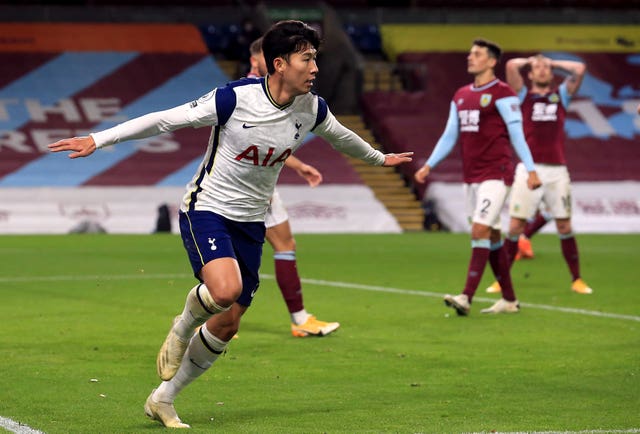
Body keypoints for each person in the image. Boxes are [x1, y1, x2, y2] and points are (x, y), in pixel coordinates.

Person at [49, 20, 412, 429]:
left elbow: (343, 138)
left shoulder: (312, 109)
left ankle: (163, 398)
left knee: (228, 321)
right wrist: (99, 139)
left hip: (251, 221)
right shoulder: (233, 99)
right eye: (307, 59)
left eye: (316, 59)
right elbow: (165, 120)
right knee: (225, 290)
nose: (315, 68)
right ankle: (183, 325)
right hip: (208, 208)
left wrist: (382, 159)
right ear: (279, 63)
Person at [414, 38, 541, 316]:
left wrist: (531, 169)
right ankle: (509, 299)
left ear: (492, 61)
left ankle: (466, 297)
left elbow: (517, 133)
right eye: (470, 53)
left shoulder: (504, 93)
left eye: (477, 54)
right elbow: (450, 135)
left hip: (497, 173)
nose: (470, 57)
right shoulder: (460, 95)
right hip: (470, 177)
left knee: (479, 230)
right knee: (492, 235)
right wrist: (429, 165)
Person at [249, 36, 339, 337]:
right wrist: (299, 166)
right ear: (258, 60)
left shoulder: (283, 95)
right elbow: (261, 144)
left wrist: (298, 166)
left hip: (264, 183)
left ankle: (300, 319)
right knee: (234, 252)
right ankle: (211, 318)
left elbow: (273, 145)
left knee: (284, 244)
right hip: (244, 185)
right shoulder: (250, 95)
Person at [485, 54, 592, 295]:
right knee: (514, 227)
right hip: (528, 169)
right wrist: (532, 60)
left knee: (564, 226)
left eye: (546, 68)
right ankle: (502, 280)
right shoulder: (523, 96)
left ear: (552, 73)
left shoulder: (561, 95)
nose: (543, 70)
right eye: (537, 68)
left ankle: (577, 279)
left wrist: (552, 63)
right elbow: (512, 65)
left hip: (557, 171)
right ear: (530, 74)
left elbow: (580, 68)